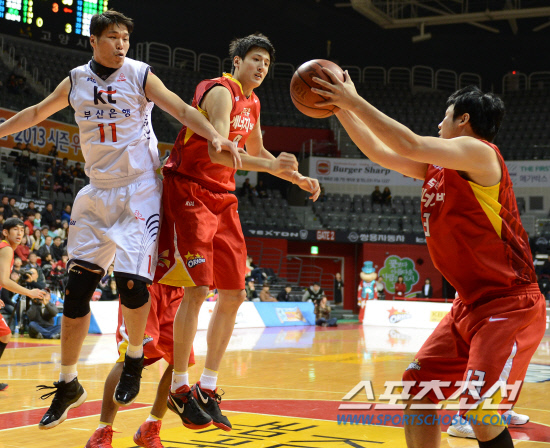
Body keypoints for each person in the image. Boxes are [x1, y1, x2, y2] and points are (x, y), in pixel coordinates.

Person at [0, 10, 238, 430]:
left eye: (125, 37)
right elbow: (36, 111)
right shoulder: (75, 80)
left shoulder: (140, 74)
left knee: (131, 282)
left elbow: (182, 109)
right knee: (76, 290)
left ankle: (133, 360)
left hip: (139, 189)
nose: (121, 44)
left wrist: (215, 134)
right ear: (94, 41)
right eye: (113, 37)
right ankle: (68, 382)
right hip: (96, 191)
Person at [312, 72, 545, 447]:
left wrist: (353, 100)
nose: (439, 123)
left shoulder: (480, 152)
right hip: (468, 305)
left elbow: (408, 142)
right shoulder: (439, 167)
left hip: (508, 304)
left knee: (480, 413)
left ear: (464, 120)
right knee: (417, 389)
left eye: (445, 115)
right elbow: (381, 153)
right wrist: (340, 109)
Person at [154, 33, 320, 432]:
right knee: (197, 289)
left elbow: (257, 152)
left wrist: (294, 177)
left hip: (223, 196)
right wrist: (272, 168)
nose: (262, 67)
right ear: (237, 61)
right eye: (256, 59)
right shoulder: (220, 92)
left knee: (234, 293)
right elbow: (218, 150)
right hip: (190, 190)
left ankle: (208, 387)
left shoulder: (254, 102)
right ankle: (179, 387)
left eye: (267, 63)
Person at [85, 283, 198, 448]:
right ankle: (101, 433)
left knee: (182, 358)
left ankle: (150, 428)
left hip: (175, 286)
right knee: (129, 358)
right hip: (144, 283)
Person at [0, 218, 47, 391]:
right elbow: (4, 281)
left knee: (5, 334)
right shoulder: (6, 249)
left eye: (22, 230)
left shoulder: (5, 249)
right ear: (5, 232)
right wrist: (29, 292)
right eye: (15, 229)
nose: (20, 233)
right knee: (5, 334)